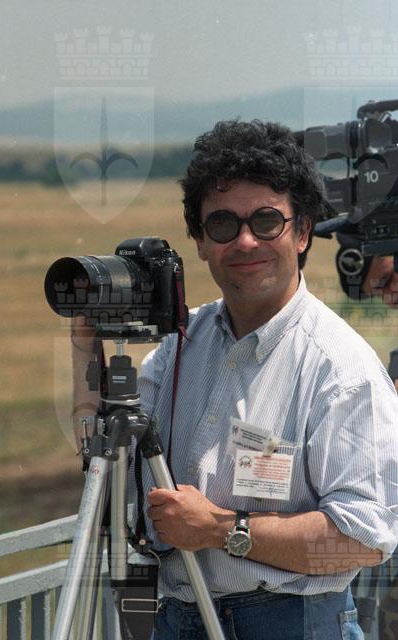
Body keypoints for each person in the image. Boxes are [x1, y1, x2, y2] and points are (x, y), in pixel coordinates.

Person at [72, 120, 398, 640]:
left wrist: (223, 530)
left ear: (303, 232)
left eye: (266, 222)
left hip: (294, 623)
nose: (245, 241)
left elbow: (362, 540)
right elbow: (102, 464)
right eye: (222, 224)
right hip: (178, 617)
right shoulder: (179, 346)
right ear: (201, 243)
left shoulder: (340, 368)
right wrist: (83, 347)